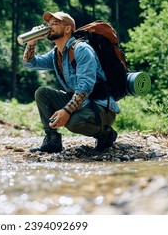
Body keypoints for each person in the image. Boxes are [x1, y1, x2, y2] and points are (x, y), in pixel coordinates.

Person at [22, 11, 119, 153]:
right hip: (80, 104)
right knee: (42, 93)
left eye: (54, 23)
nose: (49, 27)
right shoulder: (56, 53)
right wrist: (32, 42)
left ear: (67, 29)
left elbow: (85, 87)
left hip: (100, 107)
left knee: (74, 123)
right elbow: (29, 63)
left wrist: (66, 111)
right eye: (48, 24)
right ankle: (53, 141)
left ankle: (106, 135)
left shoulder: (81, 49)